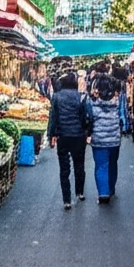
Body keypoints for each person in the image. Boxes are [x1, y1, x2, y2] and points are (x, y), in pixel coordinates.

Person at [47, 71, 90, 209]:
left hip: (63, 136)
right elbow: (84, 118)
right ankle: (80, 192)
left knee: (64, 169)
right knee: (79, 164)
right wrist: (86, 132)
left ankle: (67, 199)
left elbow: (53, 118)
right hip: (78, 136)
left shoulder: (57, 97)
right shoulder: (81, 97)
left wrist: (51, 135)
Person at [85, 75, 121, 203]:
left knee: (101, 165)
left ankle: (103, 193)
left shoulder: (92, 102)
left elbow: (88, 117)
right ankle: (110, 189)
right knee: (112, 164)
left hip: (99, 139)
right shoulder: (117, 100)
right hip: (114, 139)